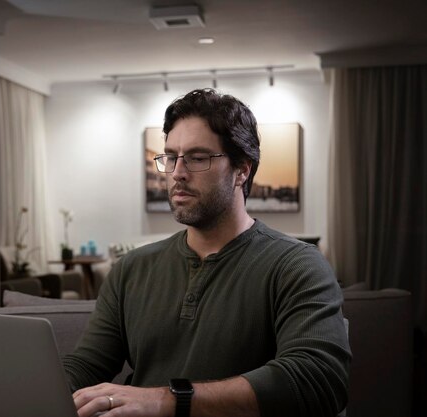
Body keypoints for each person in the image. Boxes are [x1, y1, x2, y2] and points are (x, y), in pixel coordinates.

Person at [63, 88, 351, 417]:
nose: (177, 173)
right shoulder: (131, 268)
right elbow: (86, 365)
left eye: (198, 158)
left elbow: (318, 380)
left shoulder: (297, 265)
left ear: (242, 170)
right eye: (171, 157)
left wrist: (166, 401)